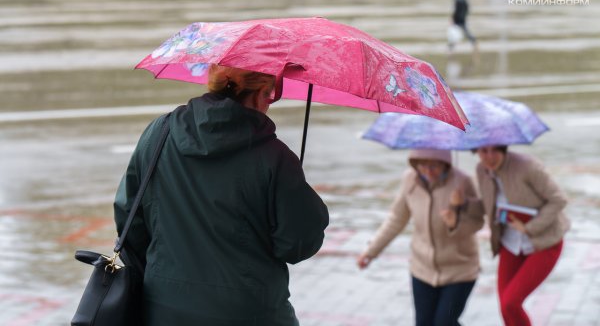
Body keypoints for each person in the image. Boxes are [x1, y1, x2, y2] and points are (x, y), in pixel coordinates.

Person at [114, 64, 329, 326]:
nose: (270, 103)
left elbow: (129, 218)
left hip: (163, 306)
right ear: (260, 91)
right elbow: (296, 246)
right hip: (250, 312)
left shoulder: (159, 132)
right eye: (272, 94)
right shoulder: (277, 158)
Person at [357, 149, 484, 326]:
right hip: (422, 269)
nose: (428, 171)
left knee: (444, 323)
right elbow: (396, 219)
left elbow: (478, 222)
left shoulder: (462, 181)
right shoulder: (410, 179)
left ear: (445, 163)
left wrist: (455, 220)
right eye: (422, 166)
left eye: (434, 166)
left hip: (460, 270)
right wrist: (371, 251)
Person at [475, 145, 570, 326]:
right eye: (483, 151)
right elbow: (486, 206)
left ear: (504, 148)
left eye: (494, 150)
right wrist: (458, 206)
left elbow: (559, 199)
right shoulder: (482, 170)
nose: (489, 156)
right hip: (510, 244)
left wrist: (530, 227)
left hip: (544, 242)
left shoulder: (527, 166)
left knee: (511, 303)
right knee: (505, 307)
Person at [448, 0, 479, 68]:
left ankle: (451, 51)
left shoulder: (458, 0)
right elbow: (466, 10)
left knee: (454, 36)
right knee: (462, 34)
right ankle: (474, 45)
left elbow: (456, 12)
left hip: (458, 21)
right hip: (462, 20)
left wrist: (453, 20)